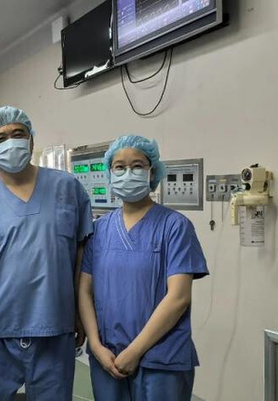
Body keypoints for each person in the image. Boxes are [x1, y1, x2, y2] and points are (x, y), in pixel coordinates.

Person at [0, 106, 93, 400]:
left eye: (18, 134)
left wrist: (78, 313)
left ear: (31, 140)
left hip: (54, 325)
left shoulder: (67, 188)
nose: (10, 142)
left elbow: (80, 256)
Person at [79, 135, 208, 401]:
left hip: (160, 357)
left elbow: (179, 297)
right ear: (110, 174)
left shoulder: (175, 226)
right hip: (108, 355)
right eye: (119, 167)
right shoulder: (100, 230)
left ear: (152, 173)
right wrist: (94, 343)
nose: (128, 173)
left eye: (137, 166)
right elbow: (84, 291)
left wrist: (135, 351)